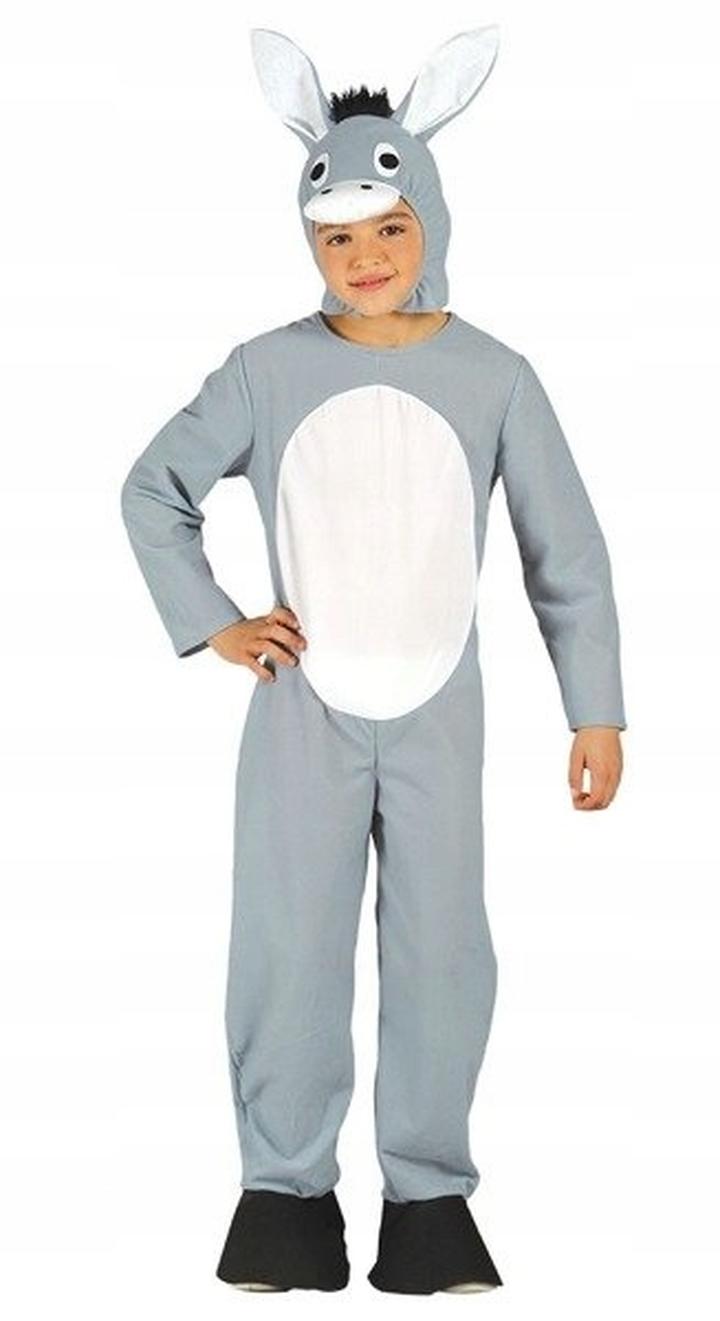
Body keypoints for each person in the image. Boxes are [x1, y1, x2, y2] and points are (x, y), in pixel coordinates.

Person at [120, 25, 627, 1296]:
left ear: (429, 220)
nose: (364, 258)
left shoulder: (496, 377)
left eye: (387, 229)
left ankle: (429, 1200)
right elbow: (153, 489)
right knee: (289, 944)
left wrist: (597, 710)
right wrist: (215, 619)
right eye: (336, 237)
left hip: (443, 715)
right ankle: (283, 1196)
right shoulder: (266, 371)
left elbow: (565, 553)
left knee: (443, 951)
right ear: (309, 242)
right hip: (303, 715)